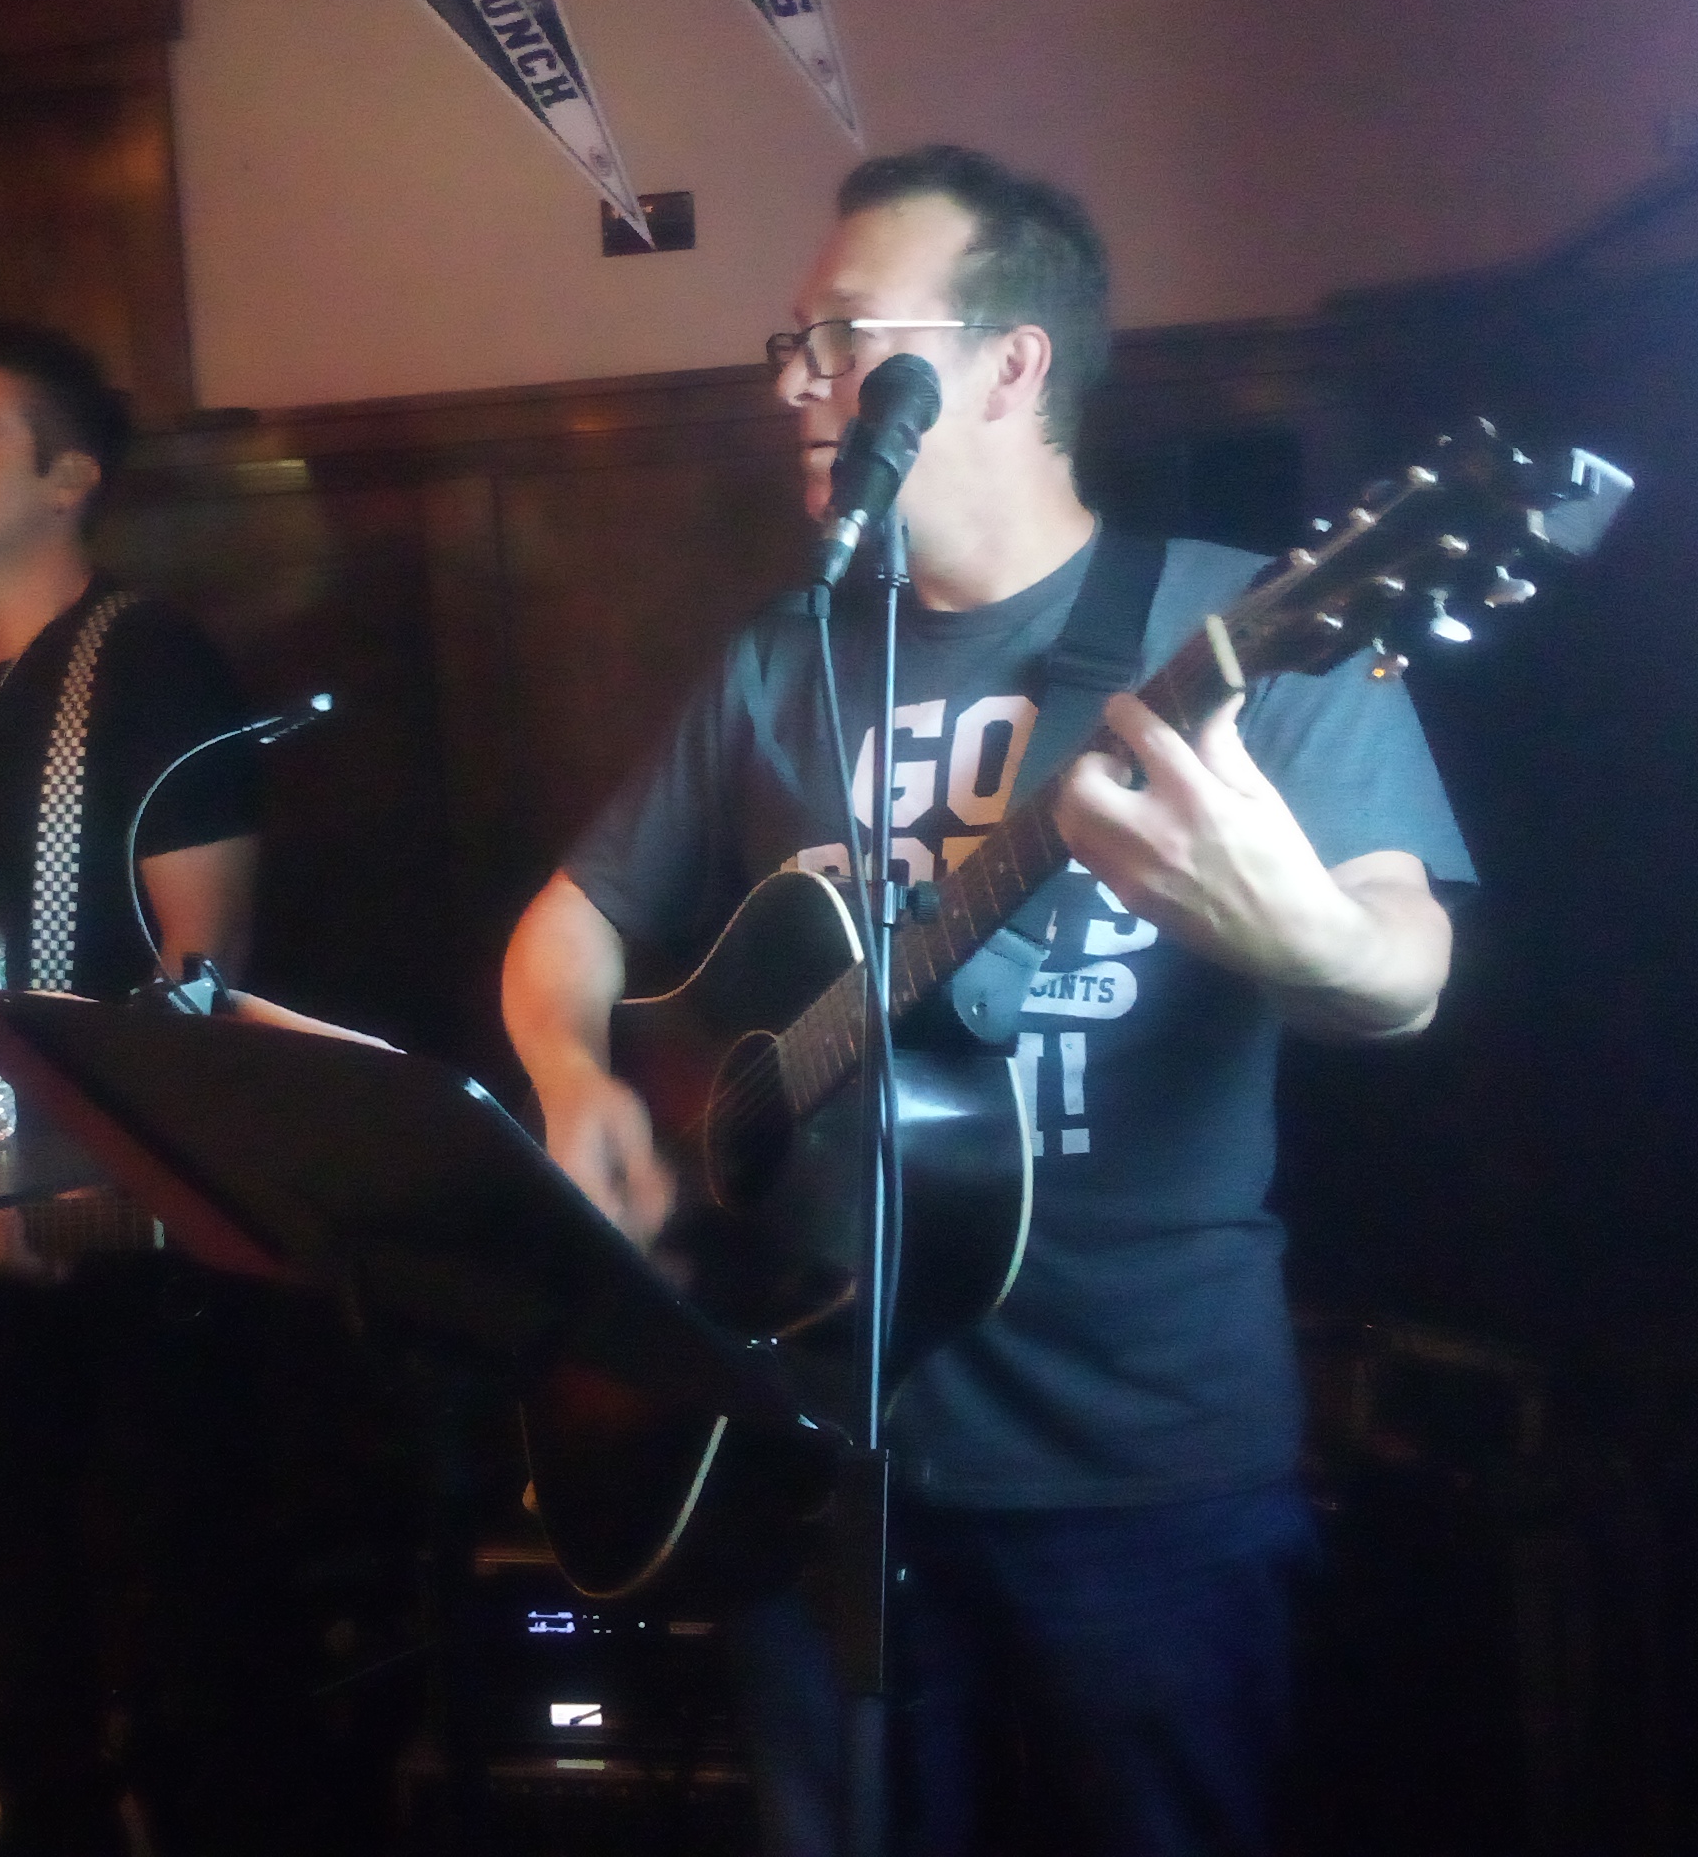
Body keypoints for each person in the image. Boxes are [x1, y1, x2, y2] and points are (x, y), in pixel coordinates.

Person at [500, 146, 1475, 1856]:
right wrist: (579, 1083)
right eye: (793, 343)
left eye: (842, 336)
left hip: (1139, 1461)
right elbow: (566, 925)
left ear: (1011, 365)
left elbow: (1404, 970)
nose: (795, 381)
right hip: (806, 1435)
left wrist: (1298, 932)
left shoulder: (1243, 628)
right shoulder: (784, 655)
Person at [0, 316, 283, 1857]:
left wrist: (91, 1162)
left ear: (69, 478)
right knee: (4, 1540)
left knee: (184, 1575)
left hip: (134, 1211)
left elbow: (206, 956)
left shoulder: (149, 658)